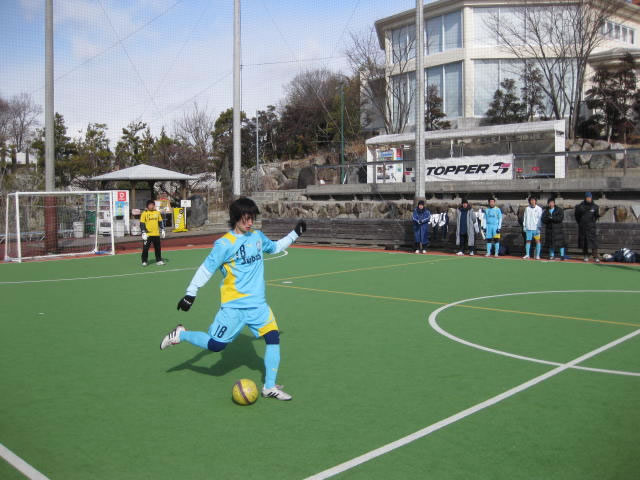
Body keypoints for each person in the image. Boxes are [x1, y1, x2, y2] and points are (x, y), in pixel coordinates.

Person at [160, 197, 307, 401]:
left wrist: (295, 233)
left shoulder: (257, 236)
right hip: (233, 308)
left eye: (252, 218)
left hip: (258, 306)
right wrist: (190, 293)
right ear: (236, 218)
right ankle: (181, 334)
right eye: (246, 219)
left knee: (273, 338)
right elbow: (206, 269)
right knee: (215, 346)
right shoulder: (224, 244)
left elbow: (274, 247)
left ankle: (269, 387)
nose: (250, 223)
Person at [575, 192, 600, 262]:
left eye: (590, 197)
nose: (589, 199)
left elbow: (596, 216)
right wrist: (581, 223)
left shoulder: (595, 206)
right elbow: (577, 216)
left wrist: (592, 223)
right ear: (585, 198)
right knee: (584, 242)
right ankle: (585, 255)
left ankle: (595, 256)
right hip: (583, 227)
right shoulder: (580, 206)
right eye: (587, 197)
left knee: (593, 242)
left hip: (591, 227)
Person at [140, 199, 165, 266]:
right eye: (150, 205)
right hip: (148, 234)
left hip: (156, 234)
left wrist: (163, 230)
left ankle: (159, 260)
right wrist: (143, 232)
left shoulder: (157, 213)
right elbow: (142, 223)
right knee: (145, 248)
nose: (151, 206)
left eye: (152, 205)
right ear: (147, 206)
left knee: (158, 248)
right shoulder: (144, 213)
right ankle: (144, 261)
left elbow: (160, 222)